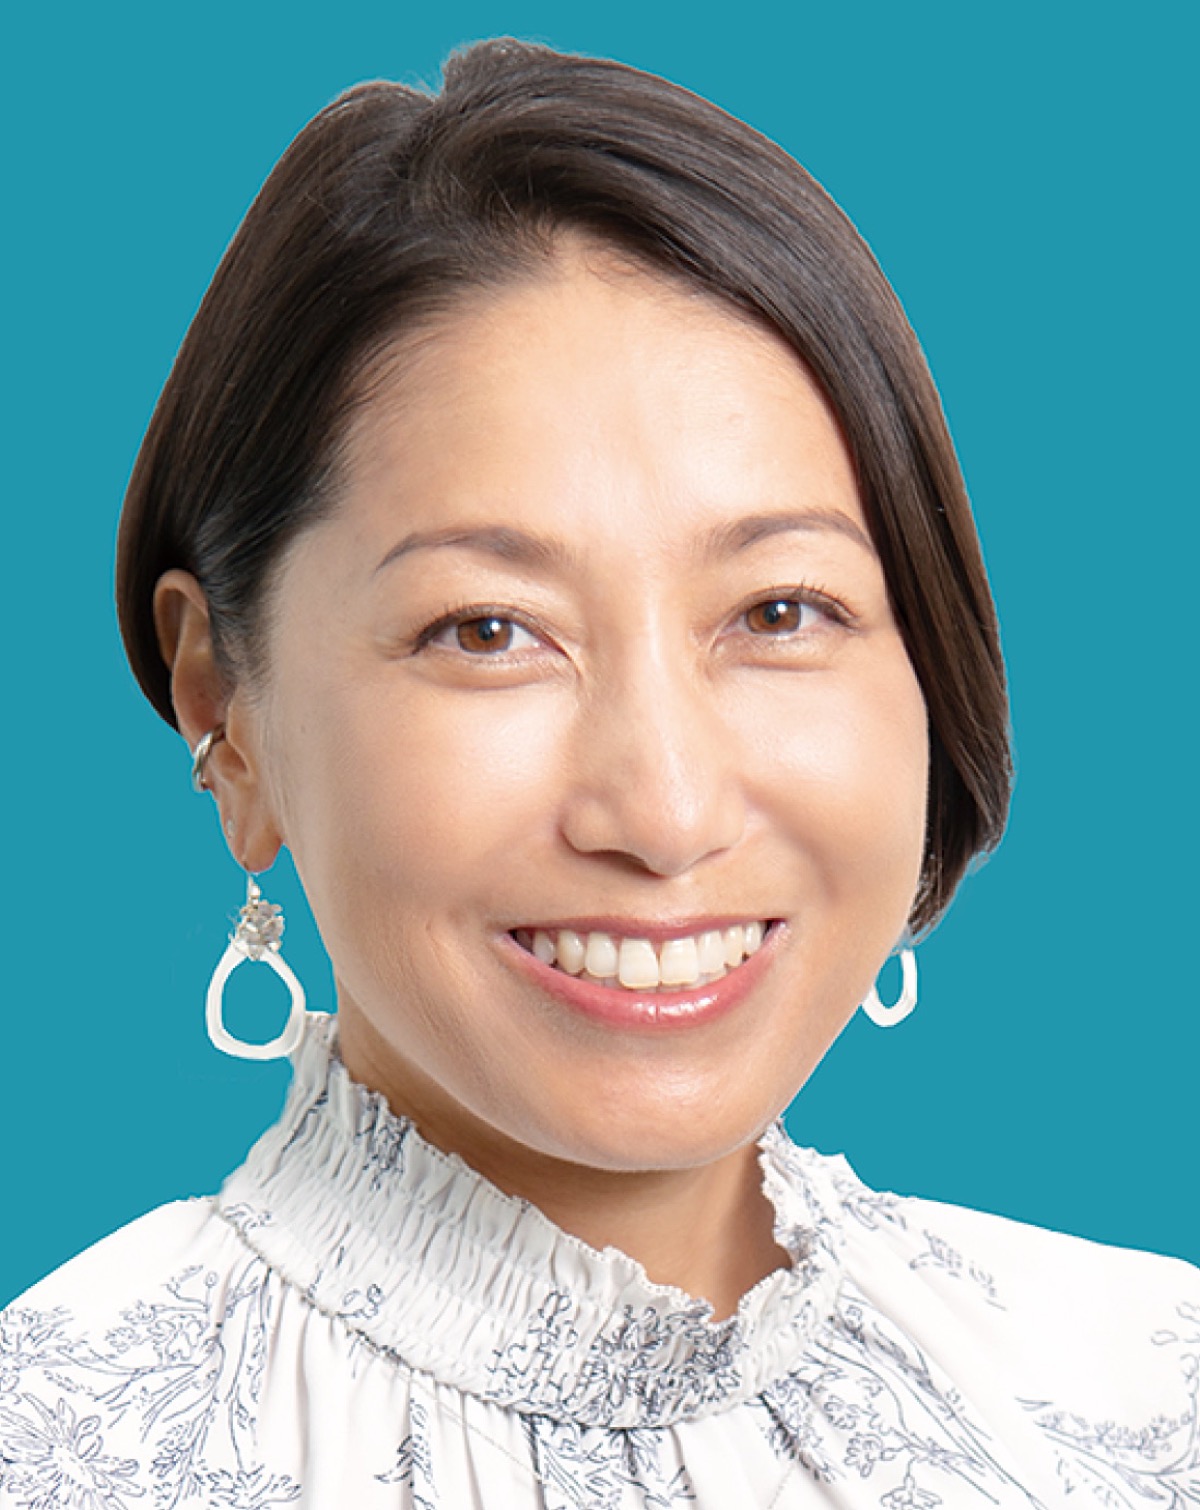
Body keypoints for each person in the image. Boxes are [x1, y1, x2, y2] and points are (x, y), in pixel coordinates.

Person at [1, 37, 1195, 1510]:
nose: (668, 812)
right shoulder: (54, 1450)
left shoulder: (1156, 1399)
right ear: (224, 711)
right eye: (488, 630)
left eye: (781, 612)